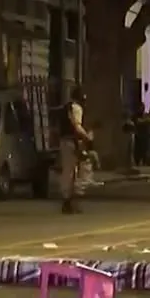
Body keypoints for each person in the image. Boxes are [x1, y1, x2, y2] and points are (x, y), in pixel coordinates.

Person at [58, 86, 91, 214]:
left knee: (69, 171)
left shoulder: (67, 107)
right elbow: (77, 126)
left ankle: (69, 201)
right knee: (80, 171)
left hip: (66, 141)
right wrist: (87, 137)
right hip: (72, 142)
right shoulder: (76, 108)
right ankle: (71, 201)